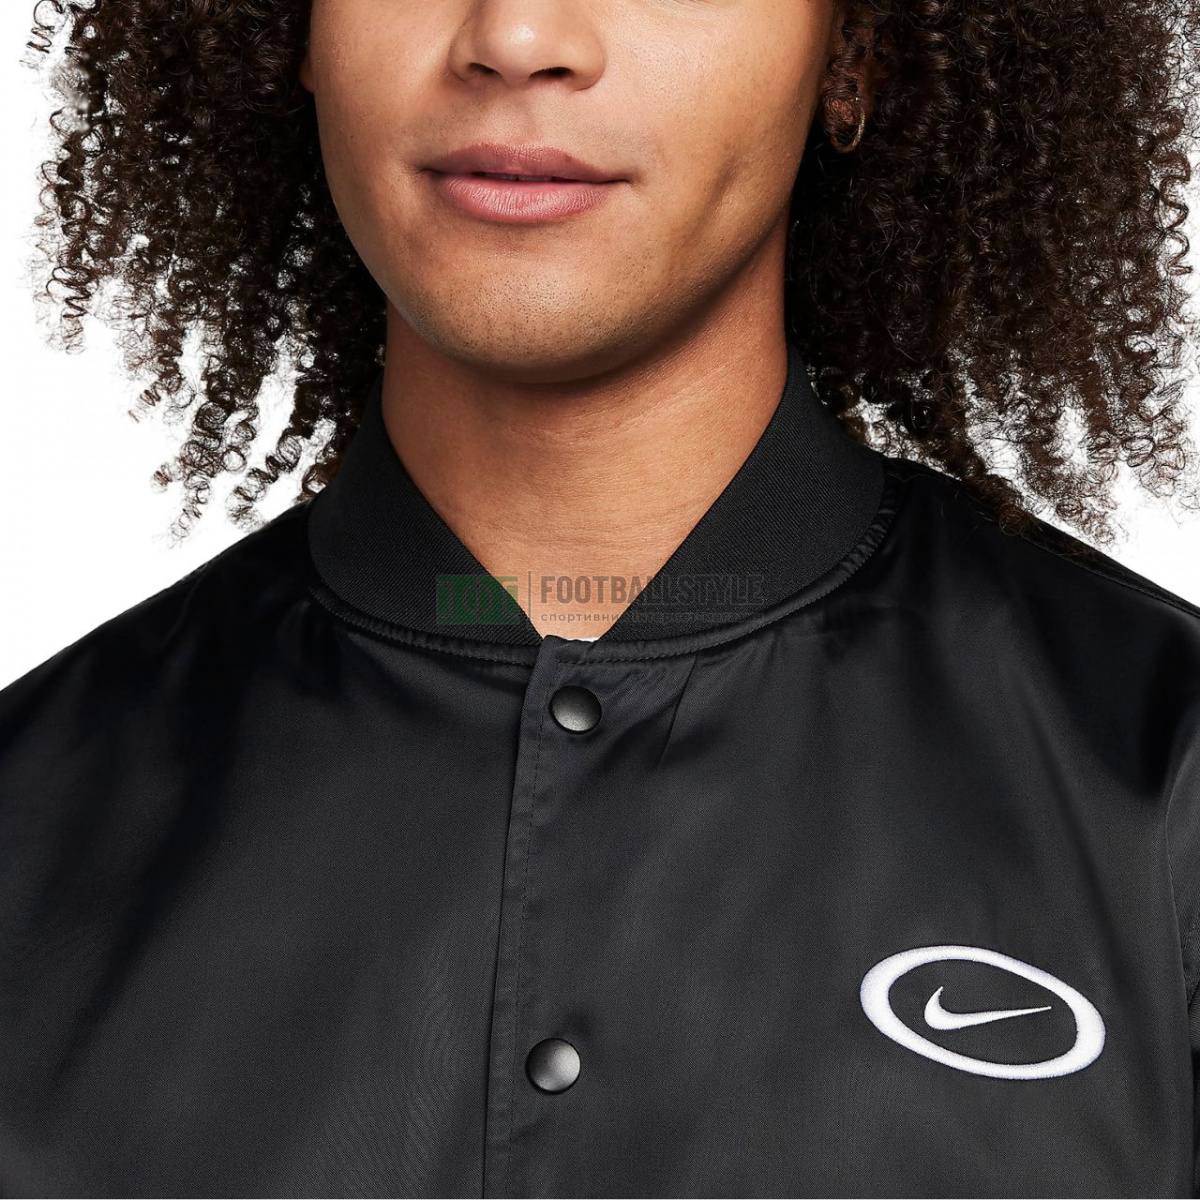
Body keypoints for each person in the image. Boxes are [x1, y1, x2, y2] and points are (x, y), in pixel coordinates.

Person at [6, 0, 1200, 1195]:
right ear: (293, 32)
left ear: (851, 51)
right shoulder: (29, 830)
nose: (520, 36)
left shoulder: (1162, 783)